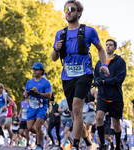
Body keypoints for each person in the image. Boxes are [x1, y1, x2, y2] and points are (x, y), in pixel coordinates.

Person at [51, 0, 109, 149]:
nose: (68, 11)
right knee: (75, 115)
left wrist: (103, 65)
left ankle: (76, 145)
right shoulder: (60, 34)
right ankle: (89, 142)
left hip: (84, 74)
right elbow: (54, 57)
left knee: (77, 109)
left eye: (71, 9)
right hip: (67, 77)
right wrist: (56, 49)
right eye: (66, 9)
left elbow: (101, 50)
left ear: (79, 13)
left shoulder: (89, 31)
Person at [94, 39, 126, 150]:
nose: (107, 47)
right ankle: (102, 145)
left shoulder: (120, 61)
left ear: (115, 47)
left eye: (110, 45)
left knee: (116, 122)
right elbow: (95, 75)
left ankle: (117, 145)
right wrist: (97, 81)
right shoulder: (100, 62)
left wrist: (105, 82)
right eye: (106, 45)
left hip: (115, 97)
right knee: (98, 117)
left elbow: (119, 79)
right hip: (102, 95)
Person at [23, 62, 52, 150]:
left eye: (36, 69)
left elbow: (49, 95)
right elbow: (25, 93)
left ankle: (38, 145)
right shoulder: (29, 82)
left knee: (38, 125)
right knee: (29, 128)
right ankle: (41, 135)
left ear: (41, 71)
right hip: (31, 107)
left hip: (41, 107)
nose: (34, 71)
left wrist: (38, 93)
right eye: (33, 69)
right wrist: (25, 94)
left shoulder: (46, 83)